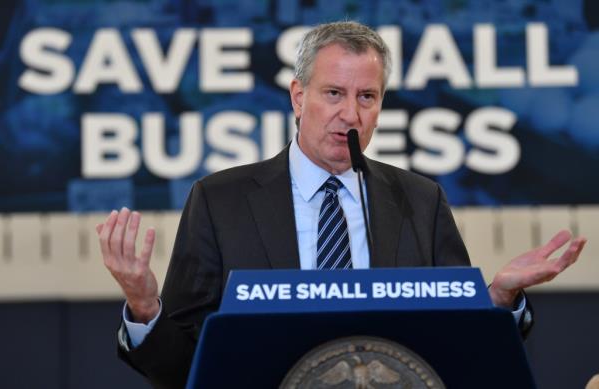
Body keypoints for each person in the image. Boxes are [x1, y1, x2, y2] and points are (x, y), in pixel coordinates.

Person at [96, 21, 587, 388]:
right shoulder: (220, 201)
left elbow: (459, 341)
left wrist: (497, 298)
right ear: (297, 96)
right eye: (334, 93)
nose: (350, 115)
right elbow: (183, 368)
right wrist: (144, 306)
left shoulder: (419, 200)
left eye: (367, 97)